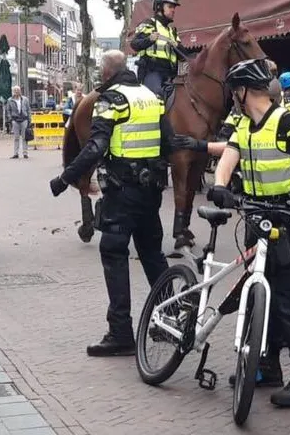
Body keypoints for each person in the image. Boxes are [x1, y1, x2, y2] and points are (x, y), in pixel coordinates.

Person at [207, 58, 290, 408]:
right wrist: (221, 185)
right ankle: (266, 364)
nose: (232, 98)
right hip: (256, 216)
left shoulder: (287, 122)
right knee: (258, 294)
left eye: (233, 91)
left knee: (287, 297)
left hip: (289, 218)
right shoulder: (245, 125)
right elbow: (229, 157)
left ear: (242, 90)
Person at [49, 50, 200, 356]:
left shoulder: (111, 100)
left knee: (113, 252)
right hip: (151, 192)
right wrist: (205, 146)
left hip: (122, 192)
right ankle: (168, 318)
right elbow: (170, 143)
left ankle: (120, 333)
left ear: (105, 74)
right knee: (152, 255)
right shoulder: (151, 97)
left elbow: (96, 145)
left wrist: (65, 178)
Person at [130, 0, 190, 97]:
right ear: (159, 7)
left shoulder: (172, 31)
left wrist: (176, 45)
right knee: (156, 97)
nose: (173, 10)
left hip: (171, 74)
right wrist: (149, 39)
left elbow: (184, 56)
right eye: (170, 6)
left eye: (174, 7)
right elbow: (134, 44)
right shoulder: (149, 24)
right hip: (152, 72)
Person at [8, 86, 31, 159]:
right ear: (13, 92)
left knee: (24, 137)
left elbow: (28, 109)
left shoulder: (25, 99)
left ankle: (25, 153)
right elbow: (8, 110)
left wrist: (30, 119)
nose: (16, 91)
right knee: (16, 137)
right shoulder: (10, 100)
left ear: (20, 91)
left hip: (24, 120)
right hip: (15, 121)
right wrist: (10, 118)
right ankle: (15, 153)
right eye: (15, 90)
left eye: (18, 90)